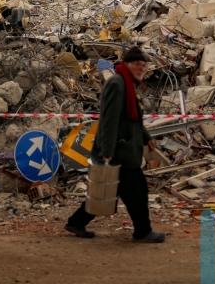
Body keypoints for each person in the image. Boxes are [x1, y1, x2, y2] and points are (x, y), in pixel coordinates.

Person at [66, 46, 165, 243]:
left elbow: (133, 119)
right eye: (137, 64)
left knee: (110, 190)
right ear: (127, 65)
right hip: (119, 150)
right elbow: (109, 120)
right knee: (136, 191)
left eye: (144, 65)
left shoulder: (126, 84)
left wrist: (146, 137)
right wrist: (107, 151)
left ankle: (76, 222)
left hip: (124, 148)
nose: (141, 68)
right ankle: (143, 232)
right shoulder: (117, 84)